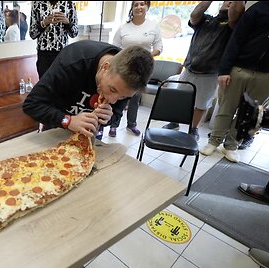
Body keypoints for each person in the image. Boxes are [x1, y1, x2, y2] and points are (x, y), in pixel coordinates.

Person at [22, 40, 154, 137]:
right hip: (56, 124)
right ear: (105, 68)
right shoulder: (73, 61)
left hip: (89, 135)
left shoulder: (129, 79)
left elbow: (116, 116)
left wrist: (108, 118)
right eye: (112, 90)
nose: (113, 100)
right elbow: (31, 104)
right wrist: (68, 120)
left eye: (123, 97)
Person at [161, 1, 245, 141]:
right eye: (227, 1)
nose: (230, 3)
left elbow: (236, 13)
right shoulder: (206, 19)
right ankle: (174, 122)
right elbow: (194, 14)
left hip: (209, 72)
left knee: (201, 104)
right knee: (180, 98)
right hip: (189, 68)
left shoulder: (233, 25)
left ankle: (194, 129)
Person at [200, 1, 269, 163]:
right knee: (226, 108)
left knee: (250, 114)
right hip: (239, 69)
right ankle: (214, 141)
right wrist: (224, 70)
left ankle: (231, 146)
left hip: (265, 75)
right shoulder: (259, 8)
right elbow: (236, 38)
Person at [108, 1, 163, 137]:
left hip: (142, 68)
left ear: (147, 7)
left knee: (135, 97)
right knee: (119, 95)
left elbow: (159, 47)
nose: (139, 7)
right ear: (132, 8)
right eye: (136, 4)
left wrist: (145, 57)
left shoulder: (153, 26)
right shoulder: (123, 28)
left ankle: (131, 123)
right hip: (123, 67)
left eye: (142, 4)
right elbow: (114, 48)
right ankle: (113, 124)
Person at [30, 1, 78, 78]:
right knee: (44, 87)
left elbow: (74, 33)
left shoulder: (69, 4)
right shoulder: (37, 4)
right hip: (43, 55)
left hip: (62, 54)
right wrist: (44, 23)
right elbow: (32, 34)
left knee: (61, 86)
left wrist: (67, 23)